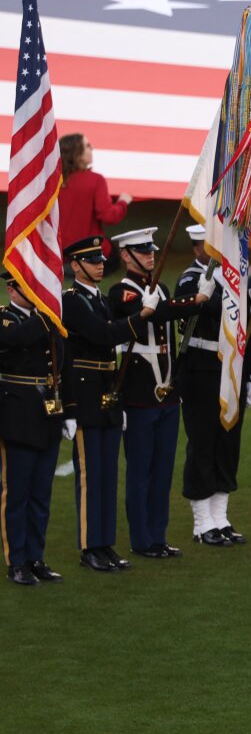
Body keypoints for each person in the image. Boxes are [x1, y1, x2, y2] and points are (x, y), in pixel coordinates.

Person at [108, 227, 213, 559]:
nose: (151, 254)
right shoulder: (120, 292)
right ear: (126, 255)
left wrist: (194, 301)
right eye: (142, 250)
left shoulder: (161, 288)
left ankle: (159, 536)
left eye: (152, 249)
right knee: (141, 471)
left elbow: (167, 310)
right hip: (139, 393)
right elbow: (158, 311)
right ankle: (141, 539)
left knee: (163, 470)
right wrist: (194, 301)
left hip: (167, 393)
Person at [61, 236, 159, 572]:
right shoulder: (72, 302)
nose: (101, 264)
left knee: (107, 474)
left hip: (106, 393)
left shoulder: (100, 300)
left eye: (101, 259)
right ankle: (90, 546)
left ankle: (105, 544)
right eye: (92, 260)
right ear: (76, 266)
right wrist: (142, 316)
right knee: (90, 475)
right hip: (86, 394)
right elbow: (102, 336)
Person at [175, 225, 247, 547]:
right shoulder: (192, 278)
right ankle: (202, 523)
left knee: (226, 443)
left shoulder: (229, 278)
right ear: (198, 247)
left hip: (228, 367)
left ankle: (221, 518)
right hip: (201, 367)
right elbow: (208, 308)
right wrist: (242, 293)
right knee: (203, 442)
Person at [1, 270, 67, 585]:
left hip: (48, 412)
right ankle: (16, 561)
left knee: (41, 492)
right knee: (17, 493)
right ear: (13, 289)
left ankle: (35, 557)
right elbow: (13, 339)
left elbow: (60, 360)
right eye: (27, 284)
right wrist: (45, 317)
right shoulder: (7, 318)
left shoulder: (49, 317)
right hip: (18, 413)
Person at [57, 133, 131, 254]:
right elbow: (108, 216)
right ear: (77, 153)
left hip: (58, 252)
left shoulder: (52, 181)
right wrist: (123, 202)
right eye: (87, 146)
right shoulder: (95, 180)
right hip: (90, 251)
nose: (92, 149)